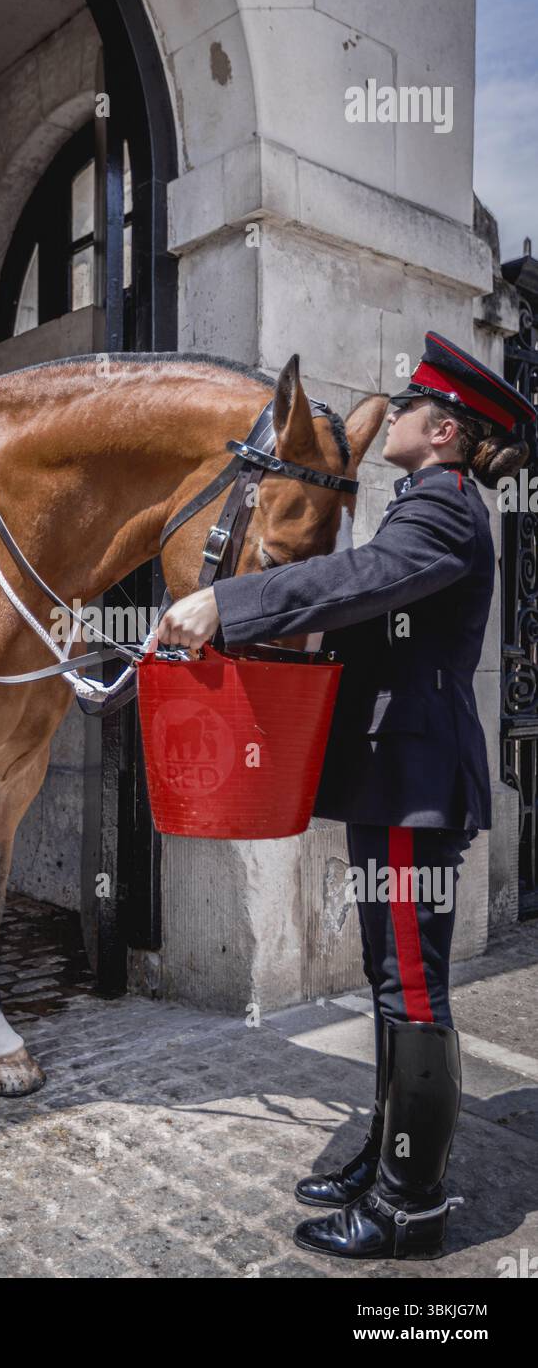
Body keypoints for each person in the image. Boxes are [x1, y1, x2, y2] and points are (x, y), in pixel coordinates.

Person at [156, 332, 536, 1260]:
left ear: (442, 430)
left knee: (412, 991)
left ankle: (408, 1207)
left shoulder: (445, 509)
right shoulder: (427, 505)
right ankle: (384, 1154)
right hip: (394, 778)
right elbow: (367, 614)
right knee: (391, 983)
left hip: (413, 788)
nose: (392, 412)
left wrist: (229, 605)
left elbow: (358, 580)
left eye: (408, 406)